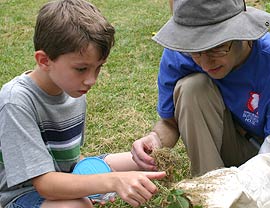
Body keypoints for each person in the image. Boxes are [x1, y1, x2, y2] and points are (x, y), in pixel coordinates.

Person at [0, 0, 166, 207]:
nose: (91, 80)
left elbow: (71, 161)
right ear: (44, 61)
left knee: (149, 163)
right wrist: (110, 182)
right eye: (81, 69)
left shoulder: (73, 89)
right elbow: (45, 185)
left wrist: (98, 180)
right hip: (24, 193)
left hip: (66, 174)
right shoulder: (15, 101)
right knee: (79, 205)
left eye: (98, 68)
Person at [131, 0, 270, 177]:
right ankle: (211, 186)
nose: (204, 63)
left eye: (216, 48)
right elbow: (170, 123)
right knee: (192, 88)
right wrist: (156, 139)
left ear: (242, 32)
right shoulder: (180, 53)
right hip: (224, 142)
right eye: (195, 51)